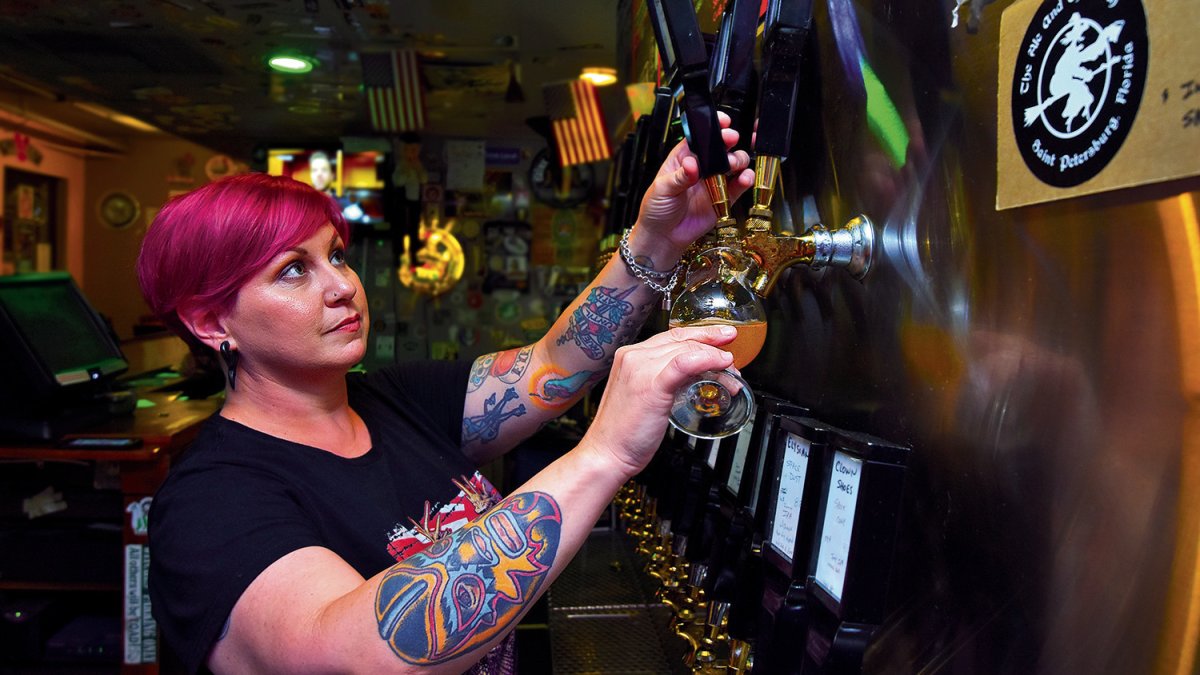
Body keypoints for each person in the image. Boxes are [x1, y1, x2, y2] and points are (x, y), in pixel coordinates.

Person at [137, 113, 753, 674]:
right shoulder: (209, 502)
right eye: (293, 269)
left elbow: (553, 365)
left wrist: (658, 240)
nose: (342, 287)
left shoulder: (393, 398)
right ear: (212, 322)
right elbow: (363, 658)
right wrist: (605, 454)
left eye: (337, 256)